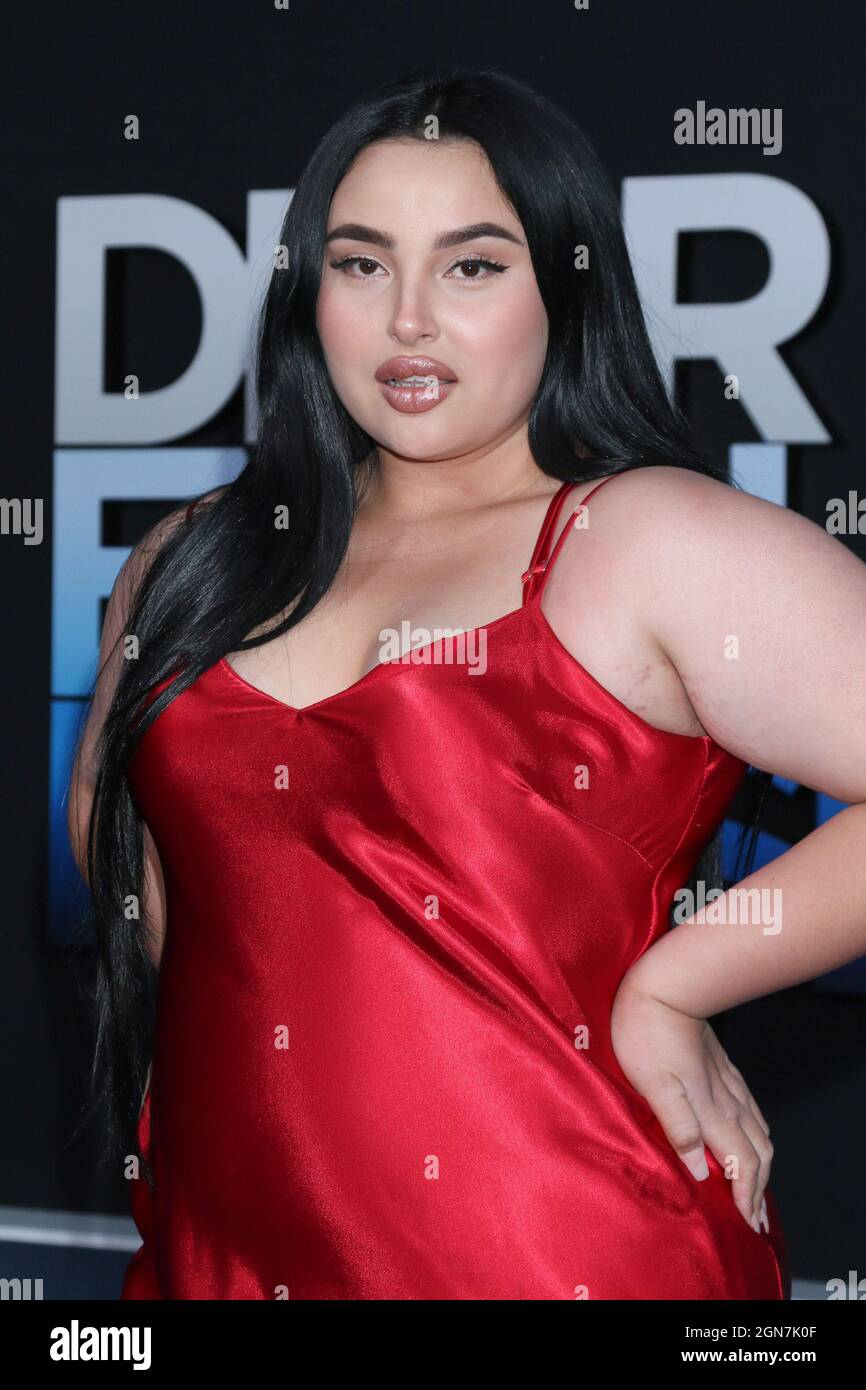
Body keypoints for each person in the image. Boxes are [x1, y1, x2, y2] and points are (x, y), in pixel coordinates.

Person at [68, 68, 866, 1301]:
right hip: (214, 1260)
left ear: (566, 284)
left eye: (473, 265)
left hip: (564, 1251)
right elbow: (154, 893)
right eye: (360, 262)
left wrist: (671, 982)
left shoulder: (643, 539)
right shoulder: (194, 560)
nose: (408, 322)